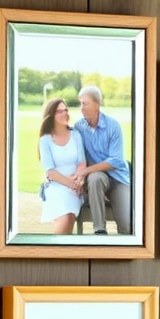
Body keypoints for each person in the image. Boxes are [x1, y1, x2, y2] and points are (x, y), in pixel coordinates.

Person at [75, 85, 132, 235]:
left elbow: (116, 161)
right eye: (80, 103)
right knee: (95, 178)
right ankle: (99, 230)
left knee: (127, 226)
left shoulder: (113, 126)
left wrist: (87, 170)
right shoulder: (78, 128)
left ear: (97, 104)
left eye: (85, 103)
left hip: (118, 178)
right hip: (97, 178)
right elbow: (77, 156)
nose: (81, 107)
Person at [38, 98, 87, 236]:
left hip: (75, 185)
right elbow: (50, 172)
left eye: (65, 110)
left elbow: (82, 163)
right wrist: (72, 184)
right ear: (51, 115)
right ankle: (58, 251)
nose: (64, 113)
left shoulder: (76, 135)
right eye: (59, 111)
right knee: (65, 216)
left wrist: (78, 180)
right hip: (56, 186)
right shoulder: (45, 140)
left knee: (69, 216)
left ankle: (59, 251)